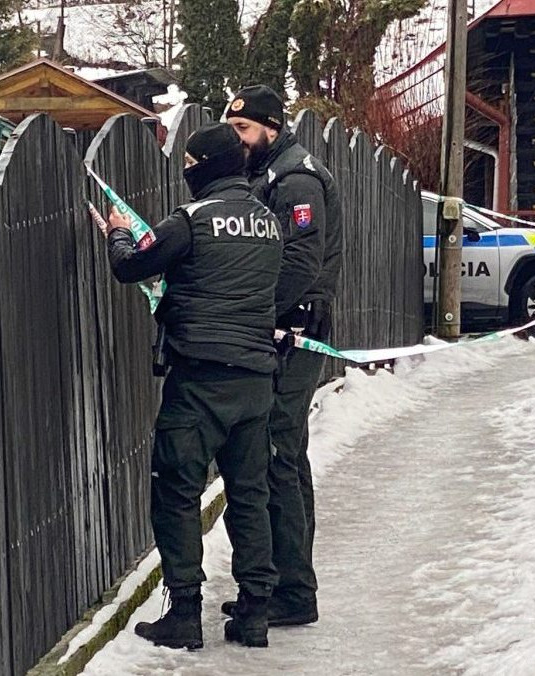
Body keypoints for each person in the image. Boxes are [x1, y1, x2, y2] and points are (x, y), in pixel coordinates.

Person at [104, 122, 283, 649]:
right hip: (255, 382)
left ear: (200, 167)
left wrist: (117, 231)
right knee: (251, 495)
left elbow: (131, 266)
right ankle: (253, 612)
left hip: (199, 382)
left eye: (186, 162)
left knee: (177, 493)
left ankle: (184, 613)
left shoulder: (191, 220)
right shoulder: (269, 223)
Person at [224, 84, 343, 627]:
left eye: (244, 129)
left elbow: (299, 262)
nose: (237, 138)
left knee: (277, 454)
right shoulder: (272, 173)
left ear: (271, 127)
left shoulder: (296, 179)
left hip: (292, 334)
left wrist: (254, 311)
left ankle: (293, 592)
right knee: (283, 455)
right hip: (280, 332)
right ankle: (282, 582)